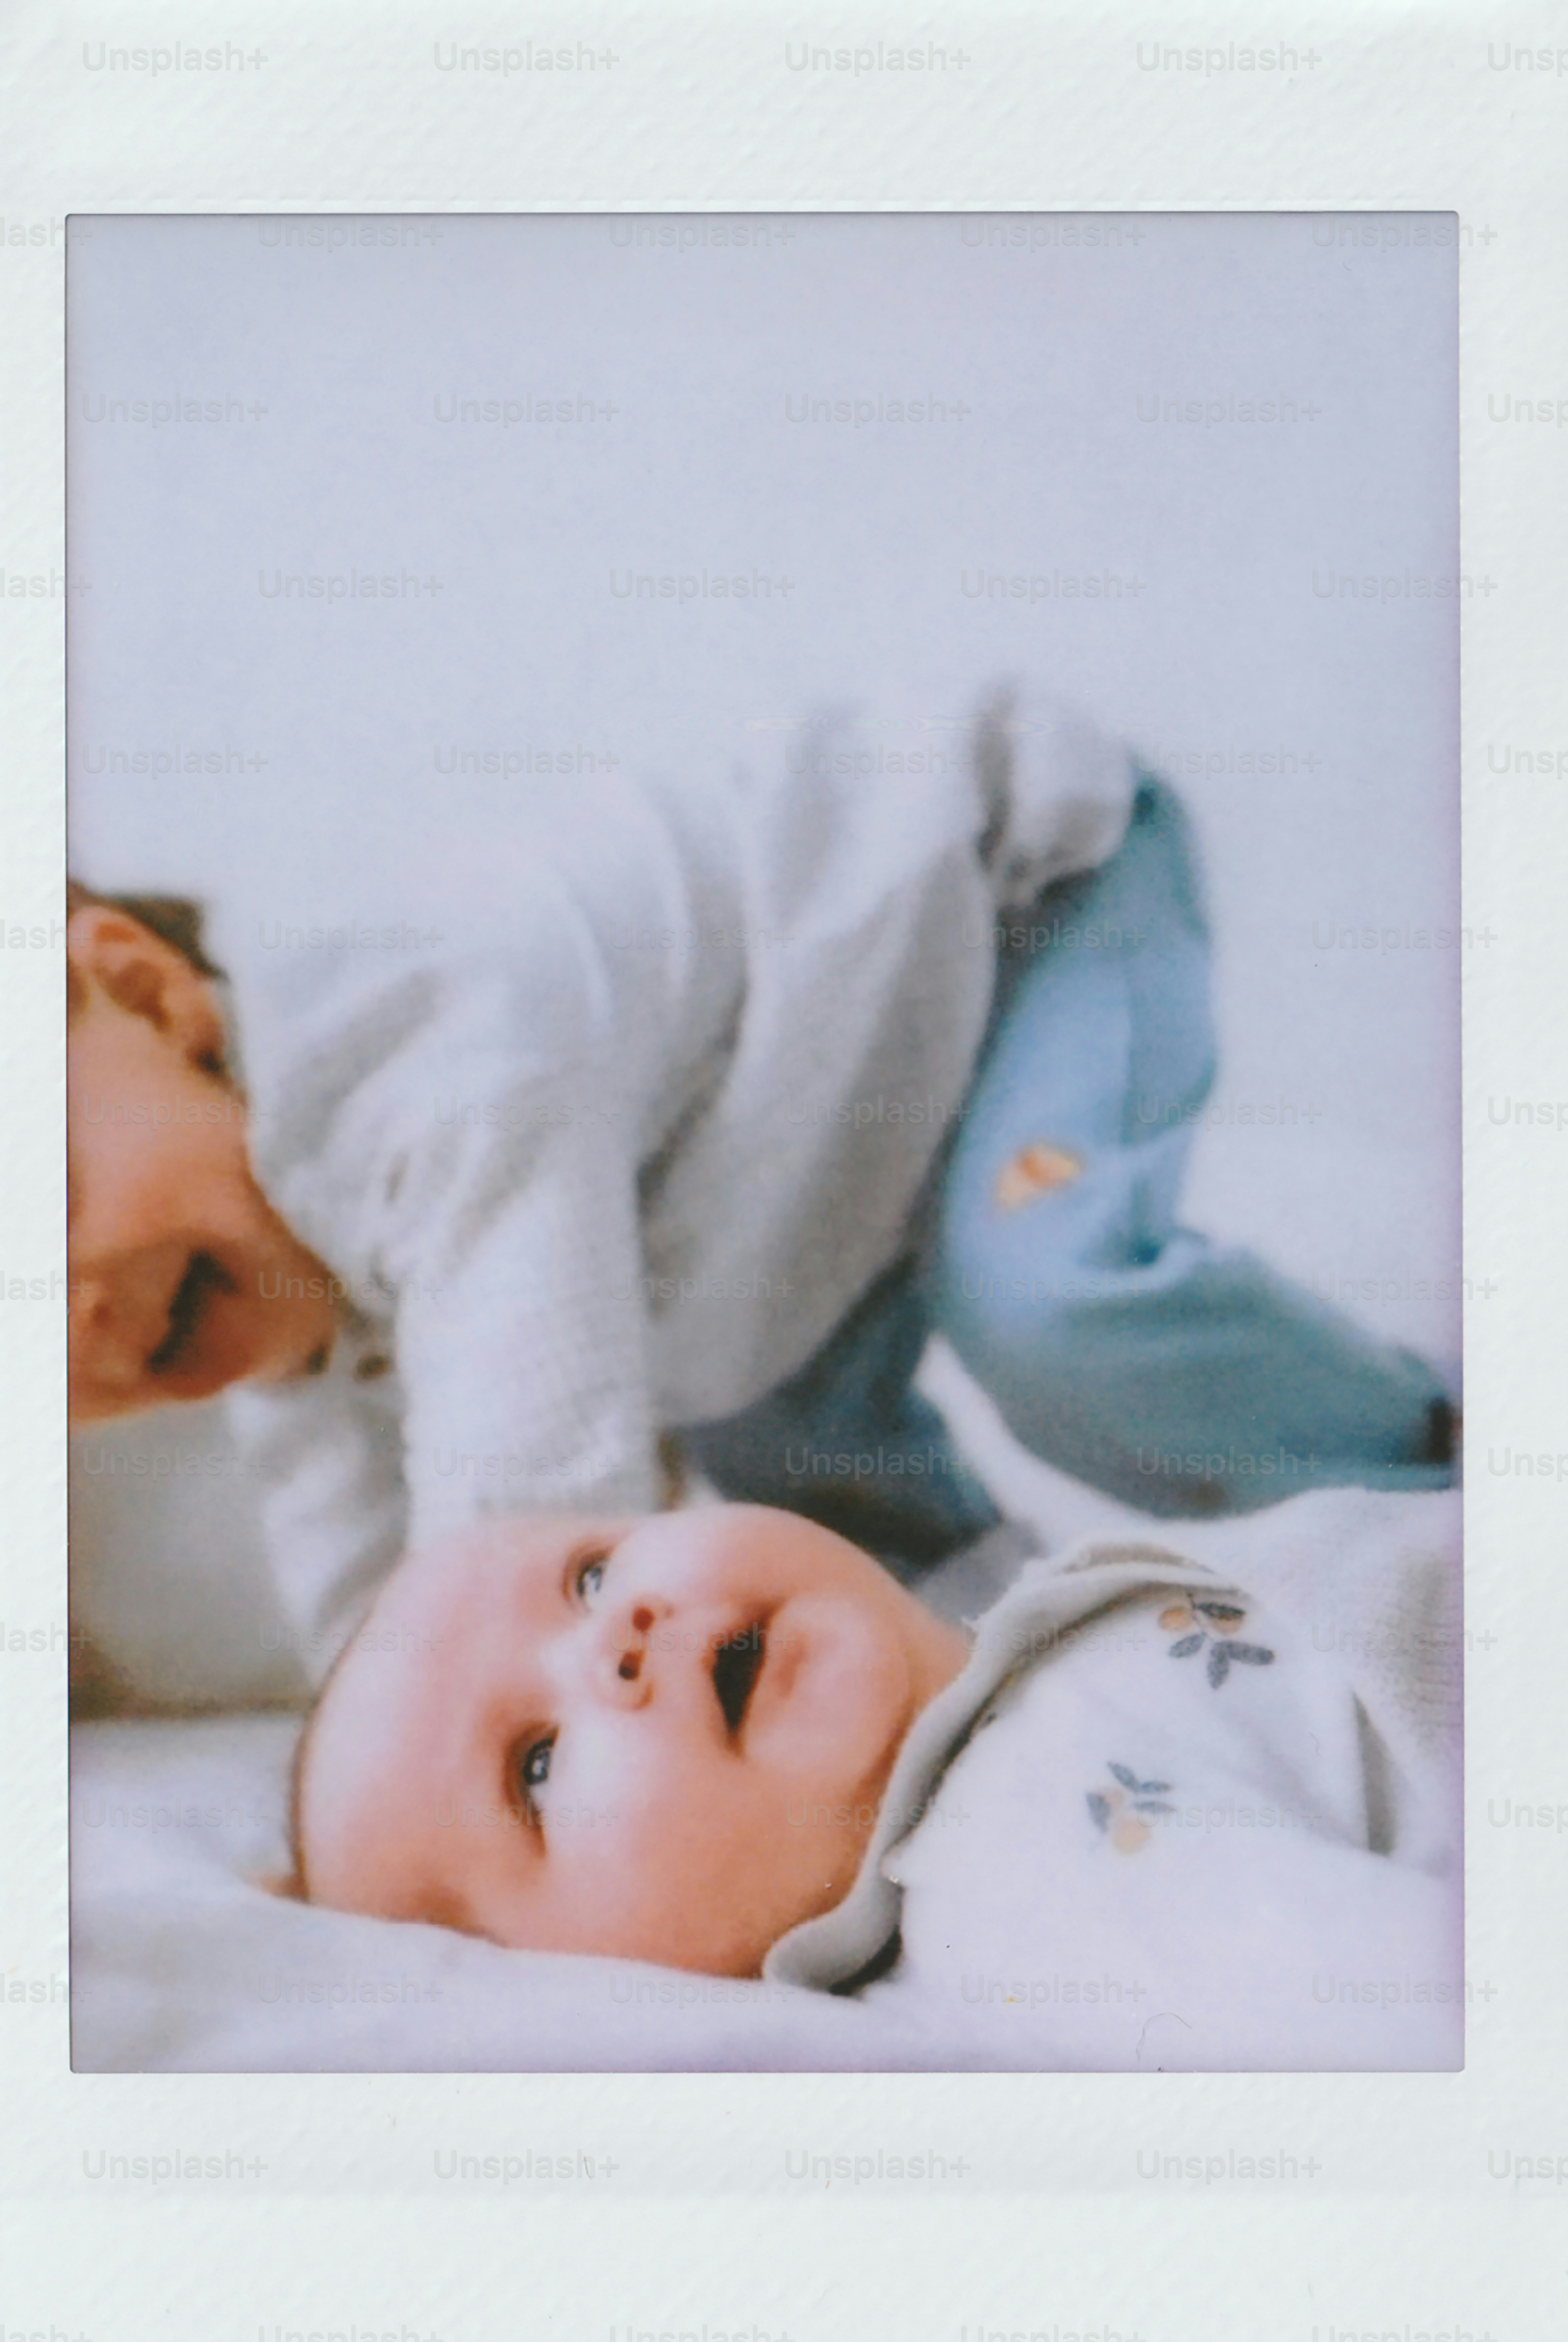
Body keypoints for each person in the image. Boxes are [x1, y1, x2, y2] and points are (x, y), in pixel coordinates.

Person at [68, 690, 1455, 1670]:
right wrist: (364, 1814)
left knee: (1048, 1296)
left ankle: (1428, 1489)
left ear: (141, 988)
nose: (66, 1321)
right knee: (804, 1500)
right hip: (777, 1182)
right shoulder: (275, 1310)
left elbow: (532, 1496)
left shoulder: (407, 1041)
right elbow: (370, 1610)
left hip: (1004, 892)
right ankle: (1008, 1687)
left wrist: (499, 1718)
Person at [287, 1489, 1463, 2070]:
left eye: (589, 1575)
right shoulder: (1025, 1876)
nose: (616, 1636)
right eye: (536, 1765)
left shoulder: (1031, 1637)